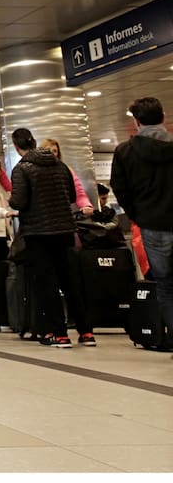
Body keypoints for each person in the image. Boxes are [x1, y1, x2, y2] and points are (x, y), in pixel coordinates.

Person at [8, 127, 92, 348]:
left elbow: (19, 201)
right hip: (64, 230)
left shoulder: (22, 168)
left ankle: (60, 334)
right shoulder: (60, 165)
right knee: (70, 281)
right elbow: (72, 196)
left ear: (17, 147)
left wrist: (12, 202)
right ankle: (86, 332)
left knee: (48, 284)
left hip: (38, 232)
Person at [111, 97, 173, 348]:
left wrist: (138, 214)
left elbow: (120, 188)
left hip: (152, 224)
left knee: (166, 286)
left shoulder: (125, 152)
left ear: (136, 122)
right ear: (164, 117)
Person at [40, 138, 95, 216]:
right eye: (48, 150)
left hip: (62, 216)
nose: (52, 153)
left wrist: (86, 205)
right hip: (43, 216)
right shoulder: (35, 170)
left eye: (55, 151)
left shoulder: (66, 170)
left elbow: (79, 193)